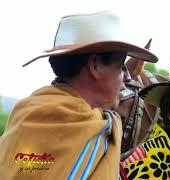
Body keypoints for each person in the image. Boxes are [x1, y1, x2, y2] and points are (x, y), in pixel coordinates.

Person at [0, 11, 157, 179]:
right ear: (95, 65)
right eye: (120, 67)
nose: (126, 78)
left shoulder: (24, 112)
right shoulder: (99, 128)